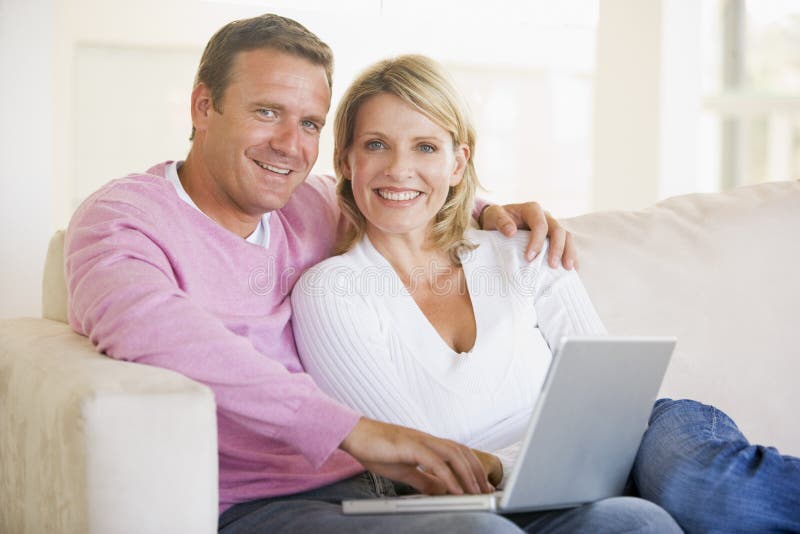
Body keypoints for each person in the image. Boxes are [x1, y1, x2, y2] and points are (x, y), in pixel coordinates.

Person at [62, 13, 613, 534]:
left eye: (309, 124)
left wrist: (494, 214)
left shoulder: (307, 203)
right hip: (265, 503)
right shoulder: (122, 220)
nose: (289, 145)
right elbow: (158, 330)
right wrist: (353, 431)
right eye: (267, 112)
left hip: (379, 486)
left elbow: (403, 189)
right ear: (203, 106)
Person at [290, 54, 800, 534]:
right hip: (533, 497)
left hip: (641, 439)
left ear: (457, 164)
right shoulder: (331, 294)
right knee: (635, 524)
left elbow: (609, 399)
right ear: (347, 160)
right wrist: (552, 469)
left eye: (425, 146)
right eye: (376, 144)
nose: (400, 169)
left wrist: (558, 464)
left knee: (704, 488)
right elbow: (426, 462)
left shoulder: (522, 252)